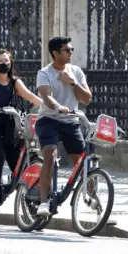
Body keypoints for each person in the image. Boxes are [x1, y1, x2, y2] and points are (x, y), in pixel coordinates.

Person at [0, 49, 42, 215]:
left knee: (19, 163)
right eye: (0, 61)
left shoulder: (15, 82)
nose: (4, 64)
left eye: (7, 61)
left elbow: (30, 96)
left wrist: (51, 107)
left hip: (8, 129)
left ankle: (29, 202)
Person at [35, 36, 91, 216]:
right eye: (67, 50)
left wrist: (72, 82)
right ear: (55, 53)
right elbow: (46, 96)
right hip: (49, 120)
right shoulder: (44, 73)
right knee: (50, 156)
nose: (71, 53)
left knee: (82, 162)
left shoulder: (76, 71)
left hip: (71, 121)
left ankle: (91, 197)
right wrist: (58, 106)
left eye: (71, 49)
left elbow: (87, 99)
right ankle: (43, 202)